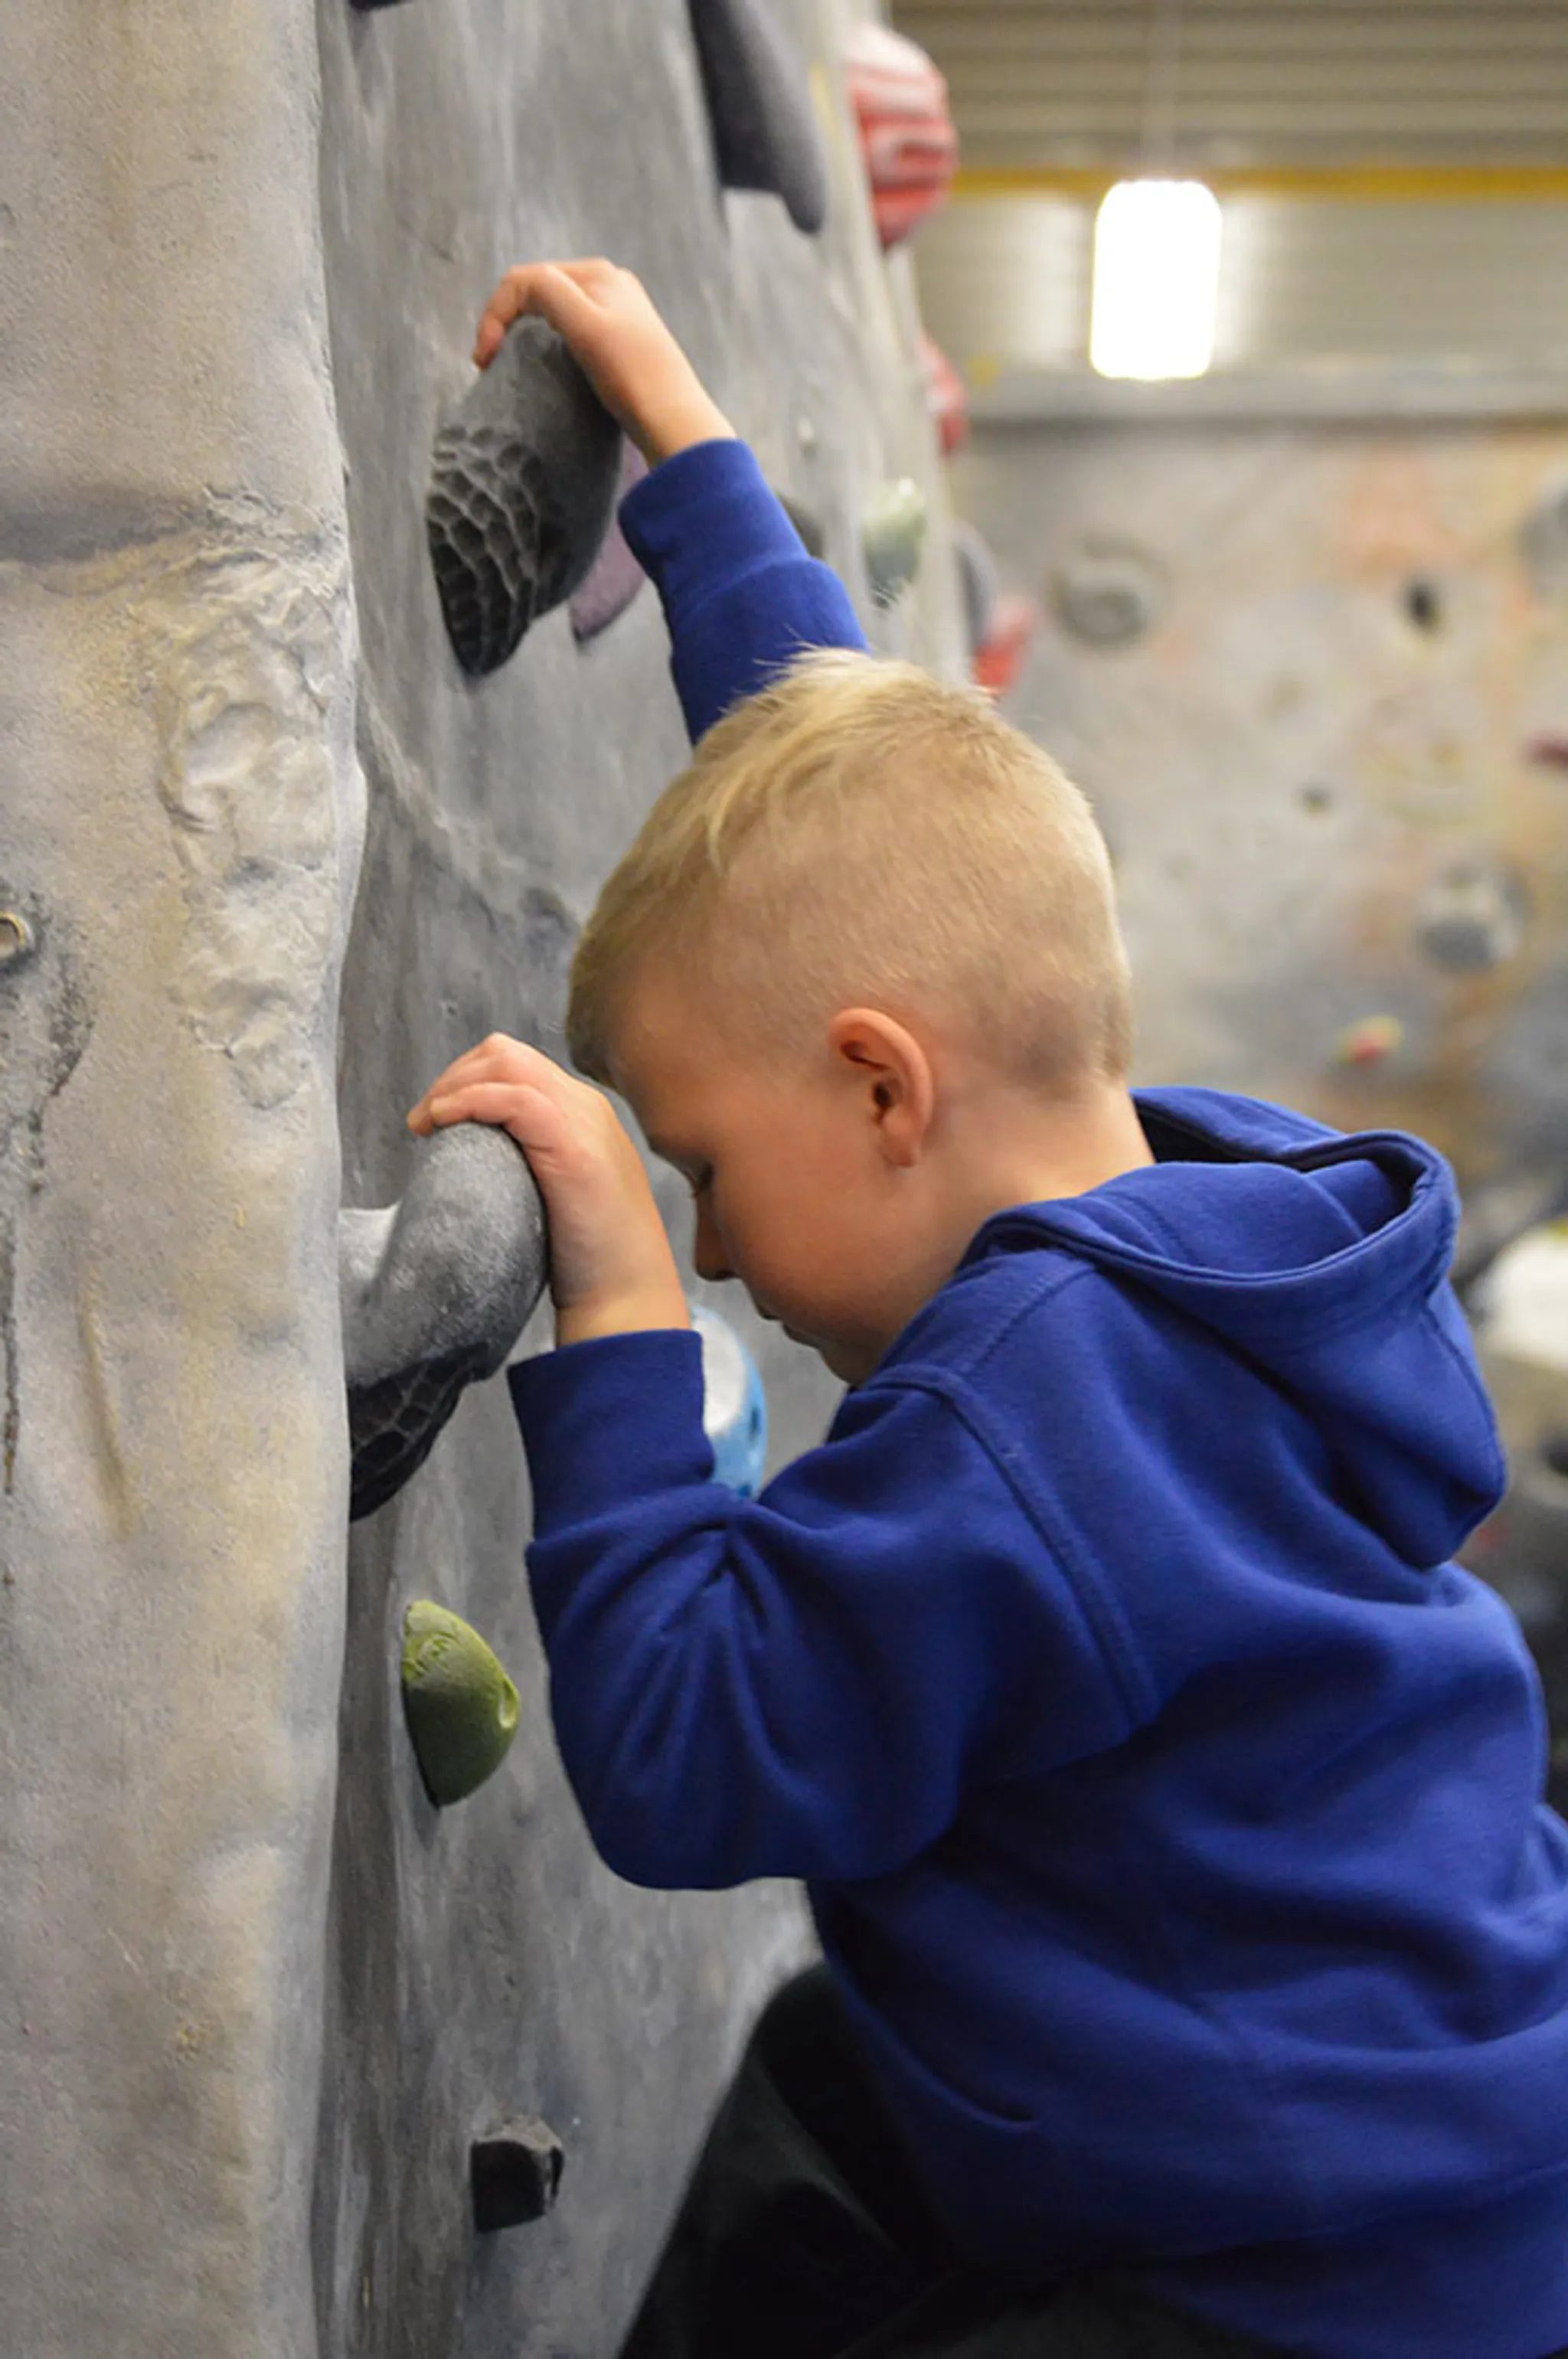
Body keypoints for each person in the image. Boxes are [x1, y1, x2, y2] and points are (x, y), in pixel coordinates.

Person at [409, 261, 1568, 2359]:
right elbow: (866, 844)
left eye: (706, 1165)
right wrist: (696, 470)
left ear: (881, 1091)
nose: (722, 1245)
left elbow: (686, 1754)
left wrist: (627, 1309)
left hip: (1288, 2286)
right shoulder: (1219, 1227)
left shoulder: (1029, 1419)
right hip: (1454, 2156)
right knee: (815, 2091)